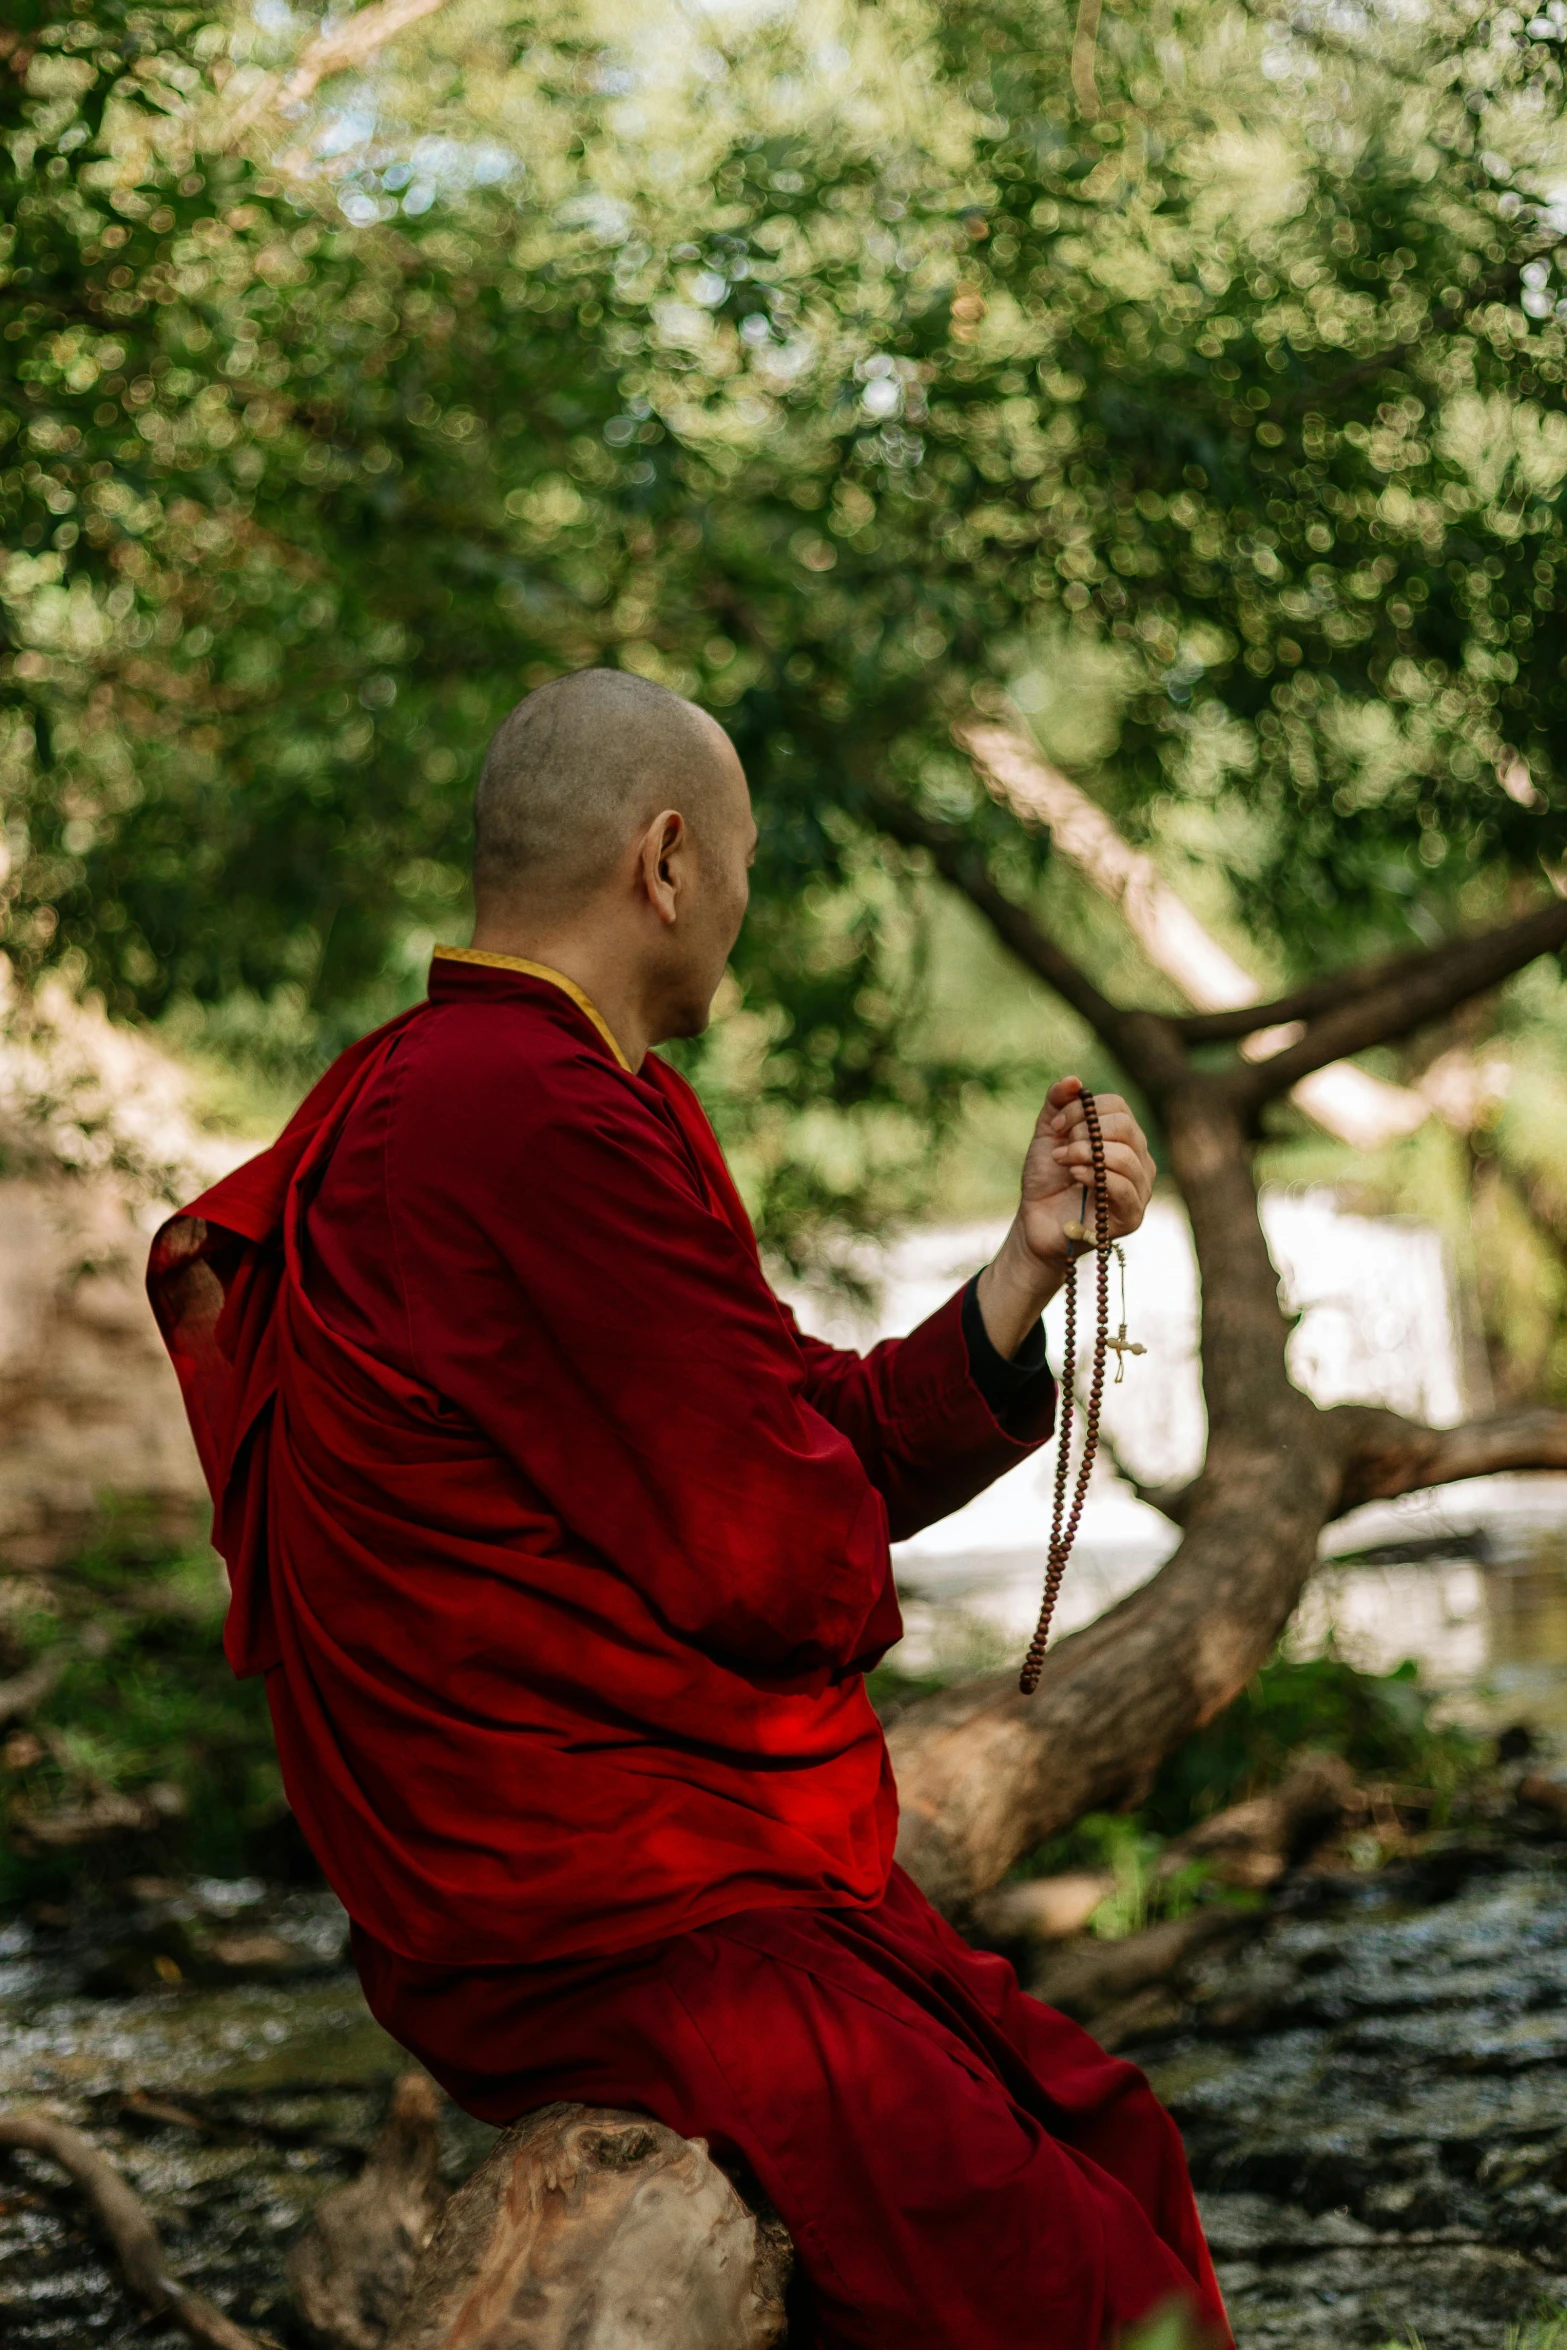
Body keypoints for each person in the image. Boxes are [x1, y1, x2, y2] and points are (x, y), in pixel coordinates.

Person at [149, 669, 1227, 2349]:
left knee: (1115, 2135)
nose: (740, 905)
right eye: (739, 866)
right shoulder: (517, 1115)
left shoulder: (536, 1088)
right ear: (666, 862)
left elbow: (793, 1424)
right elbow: (775, 1559)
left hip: (625, 1873)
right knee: (1083, 2289)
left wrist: (1027, 1267)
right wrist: (816, 1532)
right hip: (590, 1914)